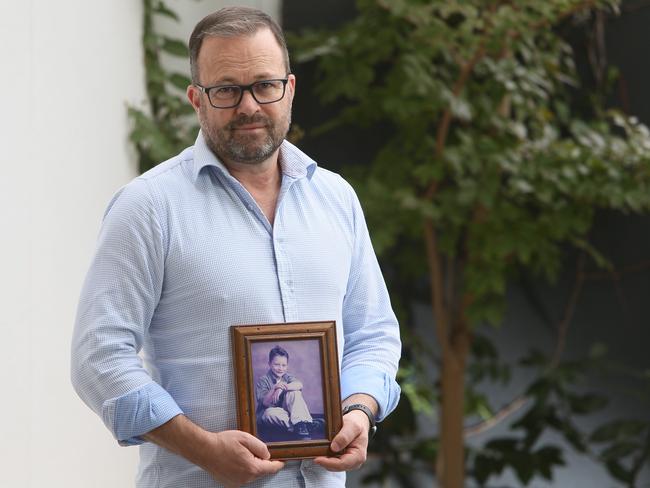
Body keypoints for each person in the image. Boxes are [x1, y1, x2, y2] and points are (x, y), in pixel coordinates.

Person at [71, 6, 401, 488]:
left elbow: (372, 334)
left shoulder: (337, 199)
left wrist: (359, 409)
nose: (249, 105)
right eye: (226, 89)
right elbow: (97, 356)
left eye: (264, 85)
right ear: (195, 99)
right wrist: (201, 447)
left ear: (289, 89)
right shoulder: (149, 206)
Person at [255, 346, 314, 439]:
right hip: (272, 412)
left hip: (288, 411)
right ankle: (302, 426)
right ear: (269, 364)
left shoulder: (287, 376)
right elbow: (265, 402)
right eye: (276, 364)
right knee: (269, 414)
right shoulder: (263, 380)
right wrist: (275, 388)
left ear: (287, 365)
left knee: (294, 392)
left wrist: (281, 388)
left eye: (284, 365)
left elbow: (299, 385)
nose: (280, 368)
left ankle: (300, 424)